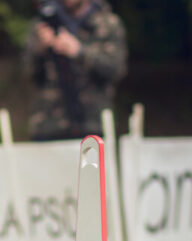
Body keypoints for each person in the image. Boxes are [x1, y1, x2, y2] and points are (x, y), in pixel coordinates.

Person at [22, 0, 127, 141]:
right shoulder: (43, 23)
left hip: (93, 125)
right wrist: (40, 49)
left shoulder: (108, 23)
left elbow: (115, 70)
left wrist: (79, 52)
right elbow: (28, 74)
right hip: (49, 126)